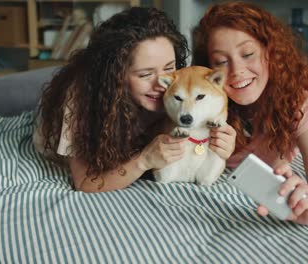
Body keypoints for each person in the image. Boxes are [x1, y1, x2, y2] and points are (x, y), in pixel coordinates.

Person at [34, 7, 236, 193]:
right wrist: (144, 160)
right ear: (116, 76)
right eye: (145, 74)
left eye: (168, 68)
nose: (162, 84)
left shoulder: (178, 89)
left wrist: (222, 143)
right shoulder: (82, 101)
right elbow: (87, 183)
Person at [192, 1, 308, 224]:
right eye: (222, 61)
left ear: (270, 52)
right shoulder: (201, 102)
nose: (237, 71)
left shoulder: (297, 102)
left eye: (248, 54)